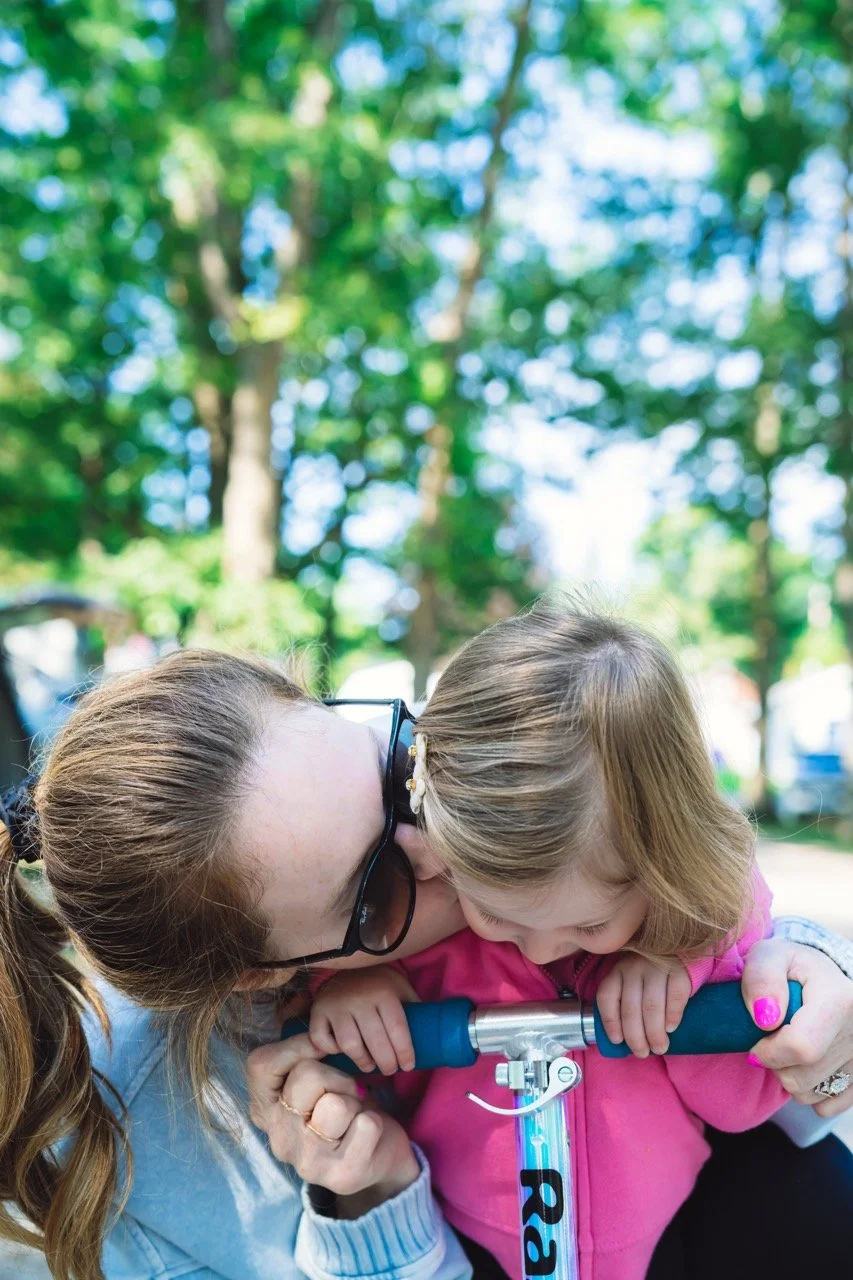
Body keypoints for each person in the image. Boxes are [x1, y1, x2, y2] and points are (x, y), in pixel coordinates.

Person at [0, 640, 851, 1280]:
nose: (444, 846)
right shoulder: (162, 1170)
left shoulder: (505, 853)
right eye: (378, 891)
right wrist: (372, 1205)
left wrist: (797, 966)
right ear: (265, 972)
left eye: (399, 768)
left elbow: (696, 881)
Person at [307, 597, 853, 1279]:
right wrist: (352, 992)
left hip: (664, 1237)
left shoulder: (677, 929)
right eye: (496, 915)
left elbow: (738, 1104)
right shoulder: (424, 938)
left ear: (660, 871)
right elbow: (335, 1087)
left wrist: (688, 960)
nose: (540, 950)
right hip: (469, 1234)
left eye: (590, 924)